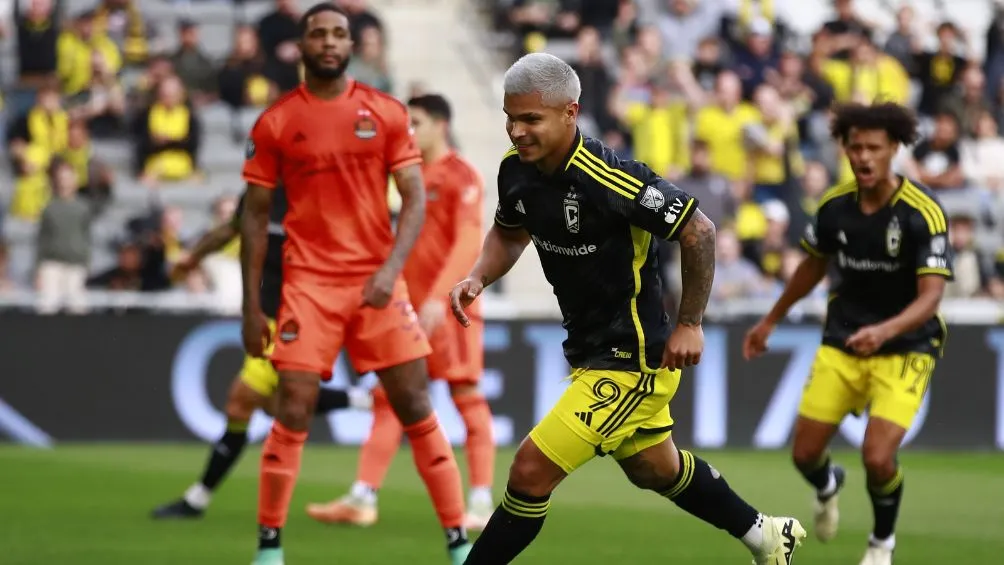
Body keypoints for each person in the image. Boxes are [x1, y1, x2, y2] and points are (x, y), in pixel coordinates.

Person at [449, 52, 806, 565]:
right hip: (589, 350)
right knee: (654, 469)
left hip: (633, 358)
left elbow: (699, 230)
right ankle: (767, 536)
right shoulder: (516, 170)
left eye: (530, 119)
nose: (517, 131)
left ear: (570, 113)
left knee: (529, 471)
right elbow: (509, 233)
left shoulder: (611, 177)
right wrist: (478, 276)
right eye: (511, 118)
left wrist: (690, 323)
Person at [240, 5, 471, 564]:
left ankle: (459, 543)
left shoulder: (385, 112)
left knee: (414, 402)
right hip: (308, 286)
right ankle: (269, 548)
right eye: (318, 33)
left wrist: (391, 271)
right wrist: (250, 306)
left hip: (376, 283)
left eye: (339, 34)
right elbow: (253, 216)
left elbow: (413, 199)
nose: (329, 41)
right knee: (293, 404)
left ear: (350, 45)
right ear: (301, 46)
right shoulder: (275, 122)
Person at [743, 101, 952, 565]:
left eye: (874, 148)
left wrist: (884, 331)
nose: (864, 157)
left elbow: (931, 297)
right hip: (844, 340)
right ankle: (827, 484)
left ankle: (881, 544)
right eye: (855, 147)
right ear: (844, 149)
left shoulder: (922, 212)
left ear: (894, 148)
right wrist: (771, 319)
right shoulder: (835, 206)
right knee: (804, 455)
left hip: (906, 347)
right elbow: (812, 268)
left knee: (877, 458)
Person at [305, 94, 496, 530]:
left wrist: (440, 298)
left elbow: (469, 242)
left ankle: (482, 503)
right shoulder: (406, 176)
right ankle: (362, 498)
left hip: (452, 308)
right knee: (390, 398)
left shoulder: (461, 175)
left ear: (441, 126)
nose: (409, 131)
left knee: (466, 396)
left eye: (417, 123)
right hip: (408, 310)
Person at [149, 187, 371, 521]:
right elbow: (231, 229)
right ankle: (365, 400)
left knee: (242, 401)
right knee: (273, 405)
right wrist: (192, 257)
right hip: (269, 316)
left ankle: (197, 500)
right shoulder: (261, 189)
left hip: (299, 315)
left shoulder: (316, 190)